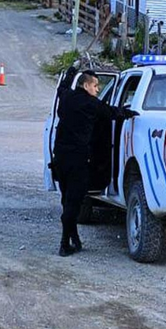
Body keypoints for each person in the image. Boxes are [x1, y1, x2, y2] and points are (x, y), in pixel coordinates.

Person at [51, 71, 136, 257]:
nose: (97, 90)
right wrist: (129, 113)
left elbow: (61, 89)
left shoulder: (67, 98)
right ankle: (65, 244)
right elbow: (113, 113)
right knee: (74, 202)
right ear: (86, 85)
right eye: (95, 86)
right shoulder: (91, 104)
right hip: (78, 160)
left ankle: (74, 239)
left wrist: (68, 75)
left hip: (60, 158)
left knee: (67, 199)